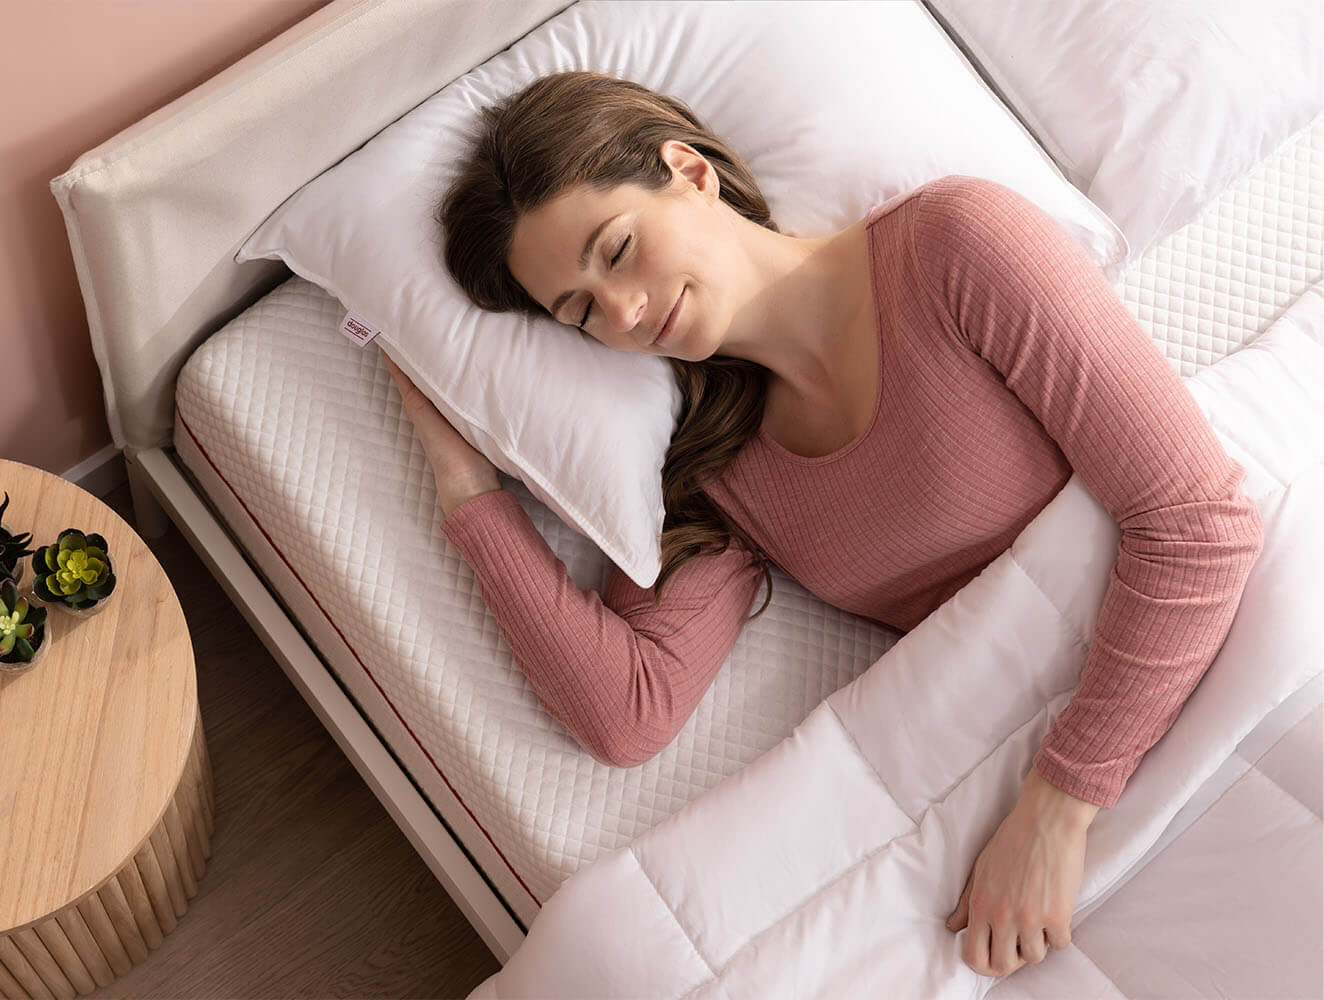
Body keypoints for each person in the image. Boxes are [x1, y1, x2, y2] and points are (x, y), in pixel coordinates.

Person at [383, 71, 1264, 979]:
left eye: (616, 251)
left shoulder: (953, 244)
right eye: (579, 314)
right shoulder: (722, 473)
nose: (624, 314)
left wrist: (1062, 801)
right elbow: (625, 713)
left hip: (1189, 693)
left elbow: (1199, 522)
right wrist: (467, 486)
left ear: (687, 171)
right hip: (1044, 796)